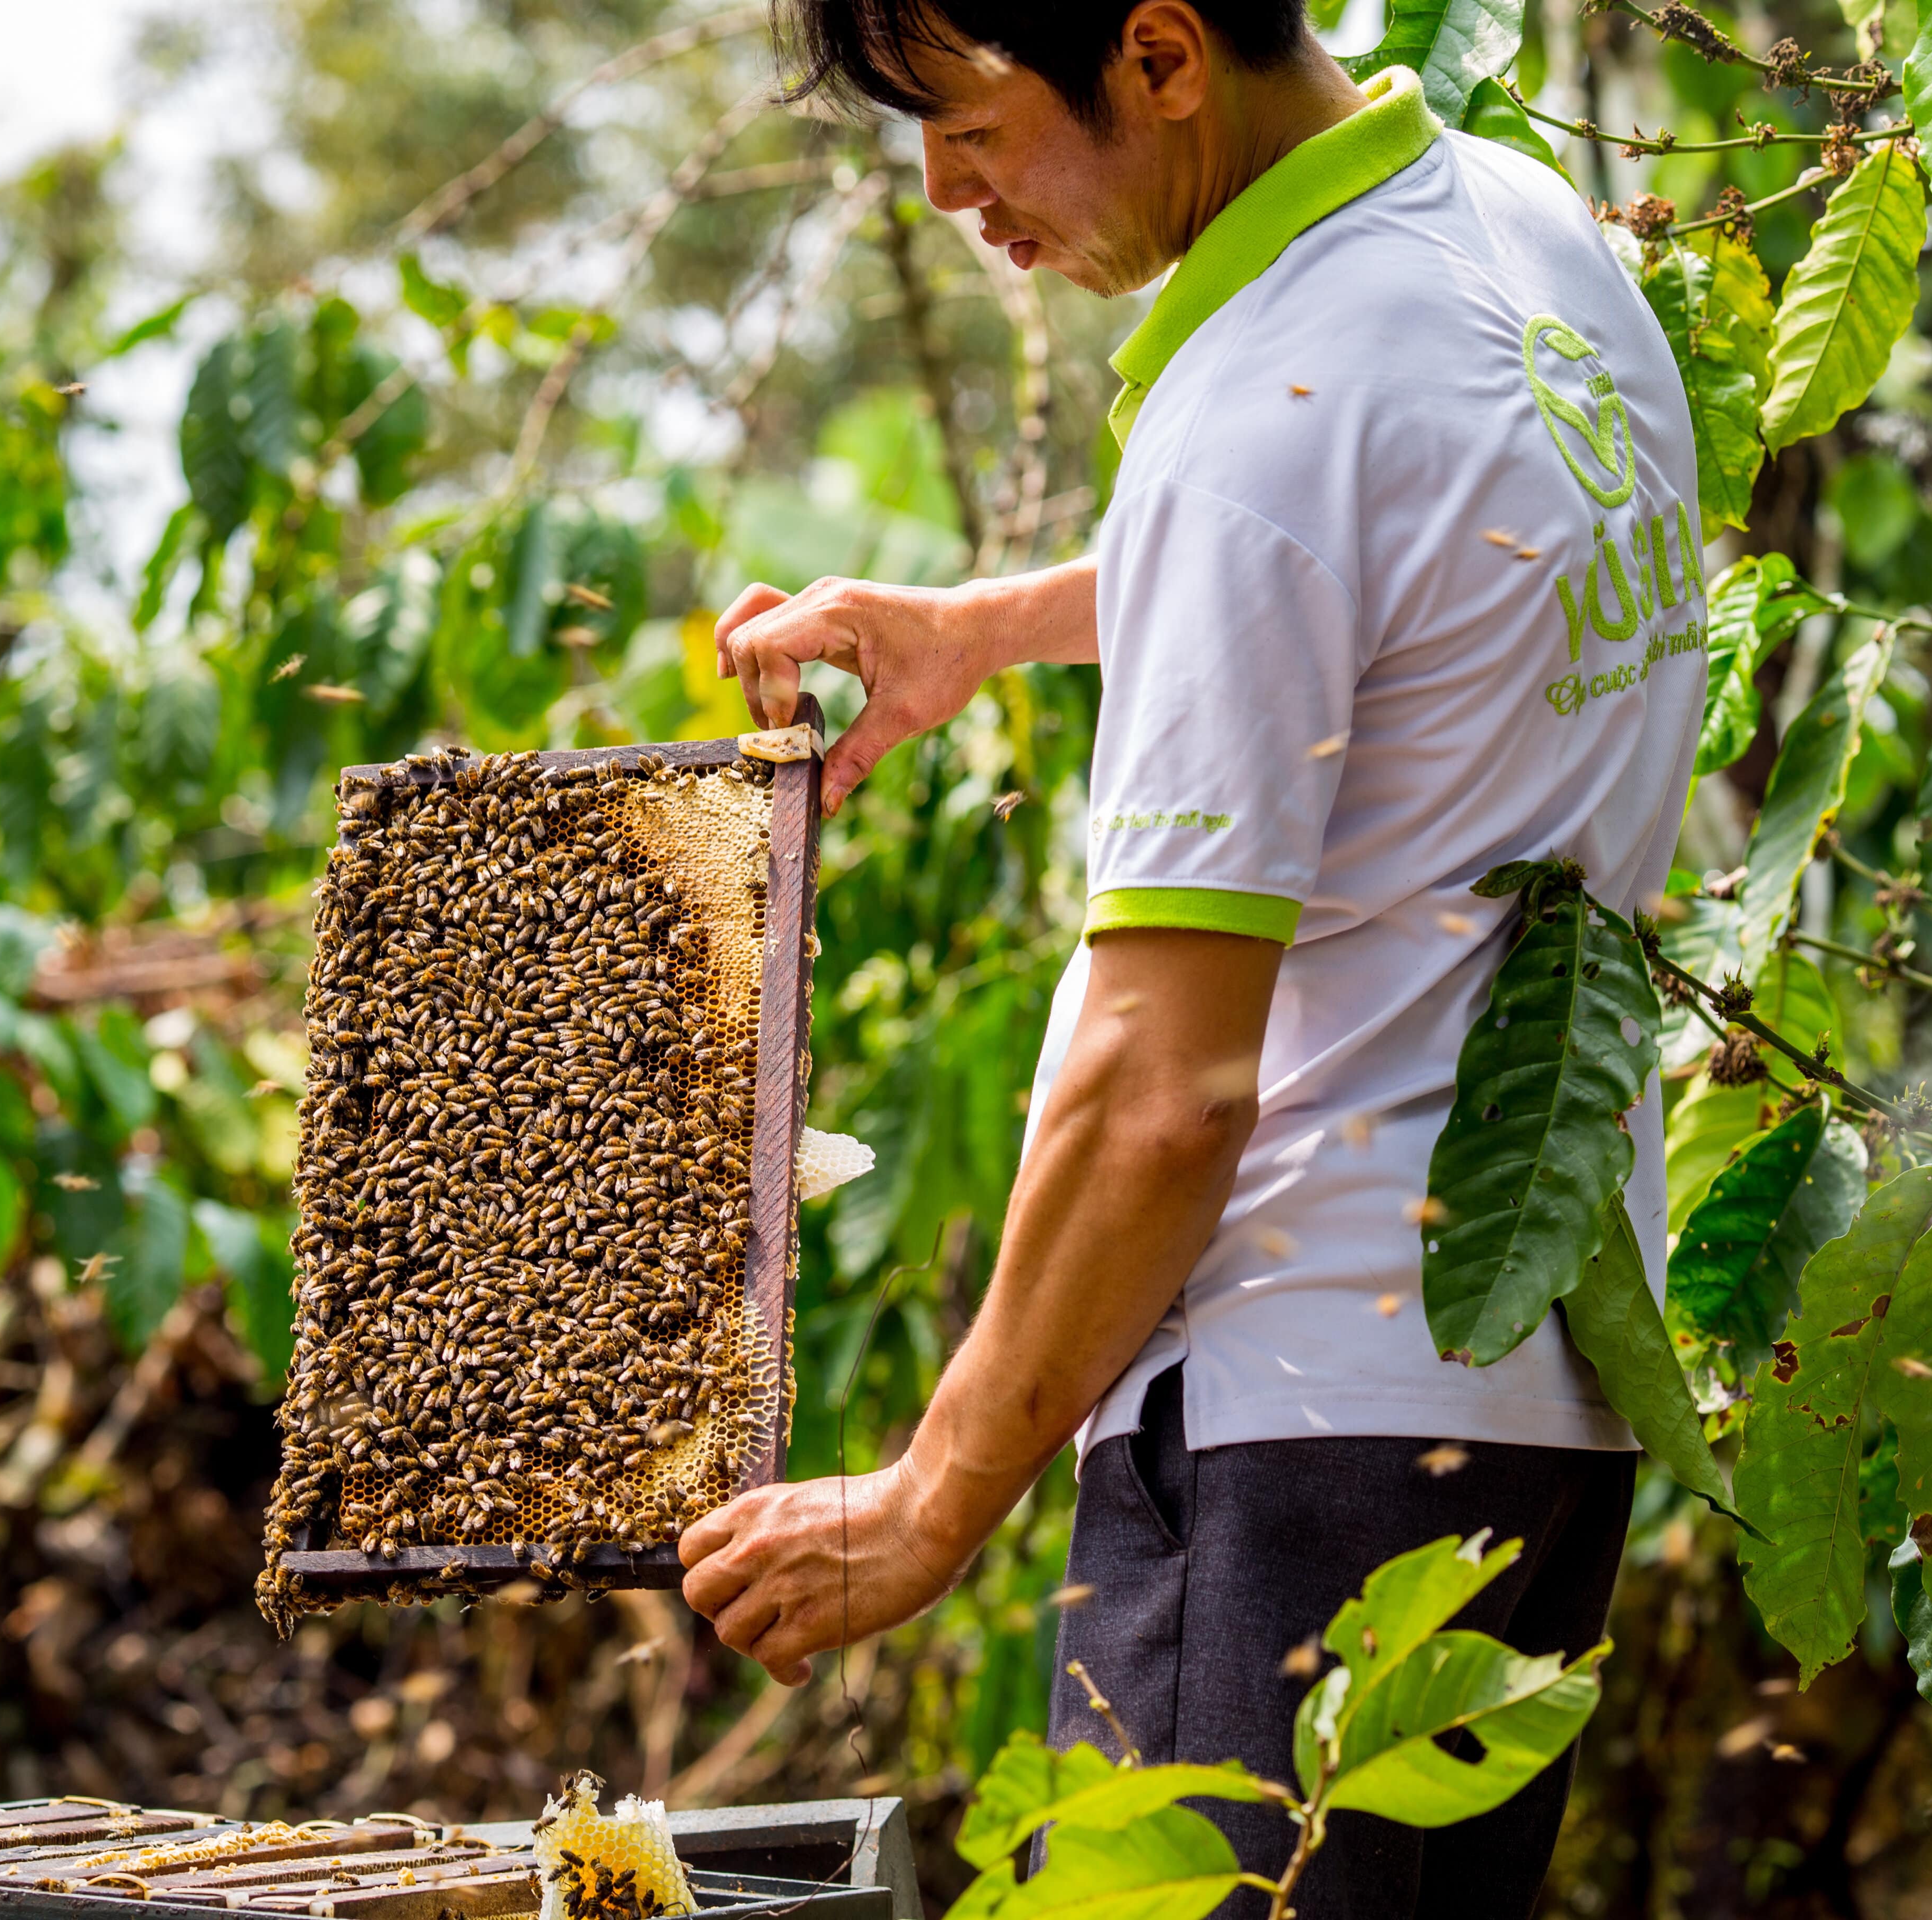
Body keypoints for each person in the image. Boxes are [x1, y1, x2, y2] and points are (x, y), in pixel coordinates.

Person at [677, 2, 1704, 1912]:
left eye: (969, 123)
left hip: (1289, 1447)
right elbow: (1416, 557)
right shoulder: (1517, 229)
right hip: (1519, 1400)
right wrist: (996, 622)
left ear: (1158, 58)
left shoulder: (1259, 418)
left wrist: (924, 1505)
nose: (942, 186)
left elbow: (1169, 1090)